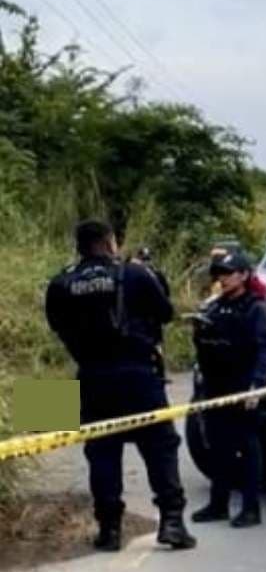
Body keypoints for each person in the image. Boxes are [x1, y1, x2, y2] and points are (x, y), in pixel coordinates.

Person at [45, 220, 197, 552]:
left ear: (79, 246)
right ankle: (172, 522)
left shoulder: (62, 283)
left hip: (92, 377)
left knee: (102, 451)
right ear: (110, 242)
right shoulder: (134, 274)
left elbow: (58, 327)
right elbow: (166, 312)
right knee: (160, 446)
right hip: (138, 374)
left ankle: (109, 530)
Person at [190, 248, 266, 528]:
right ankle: (219, 504)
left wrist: (257, 385)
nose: (222, 279)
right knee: (218, 446)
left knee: (247, 447)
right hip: (215, 384)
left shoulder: (255, 308)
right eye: (219, 274)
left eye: (228, 274)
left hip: (242, 384)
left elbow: (264, 349)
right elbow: (205, 347)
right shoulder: (215, 306)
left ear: (244, 275)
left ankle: (251, 508)